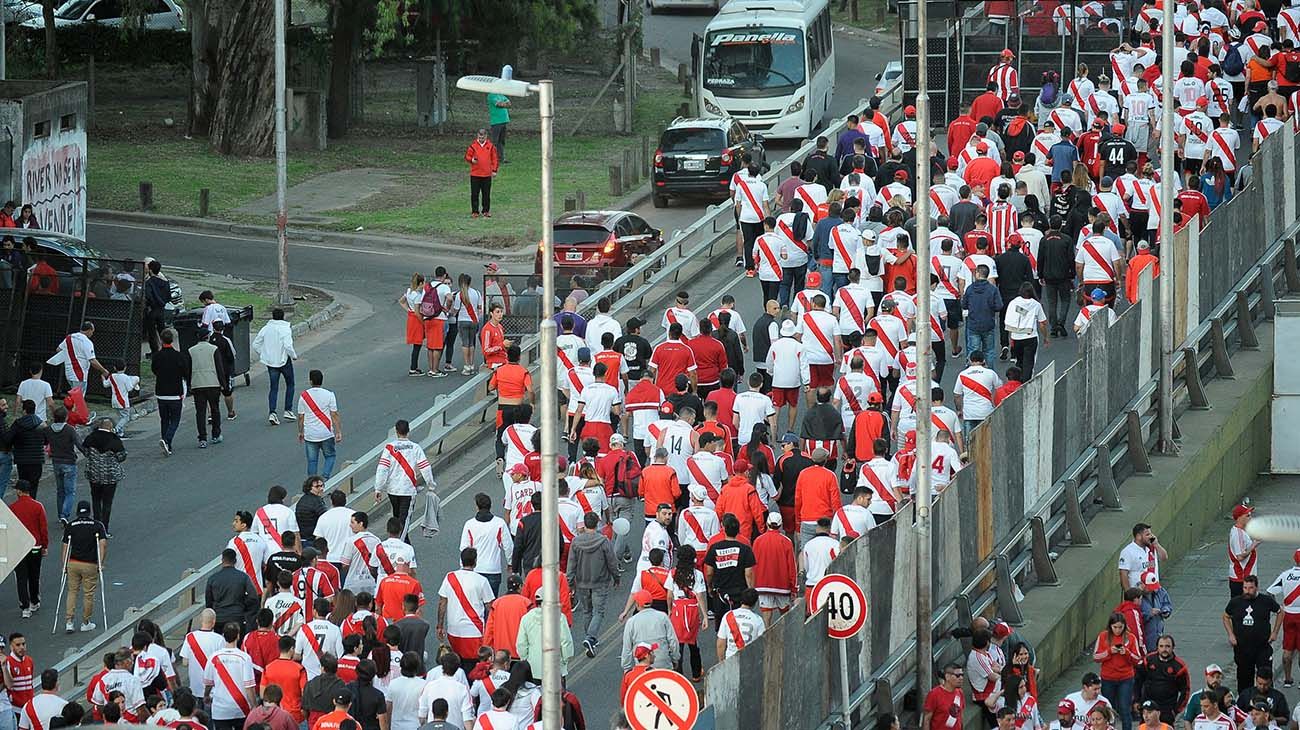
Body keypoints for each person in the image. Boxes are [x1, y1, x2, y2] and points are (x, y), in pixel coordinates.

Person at [566, 512, 618, 658]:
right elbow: (612, 561)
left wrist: (570, 583)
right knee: (598, 612)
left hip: (582, 582)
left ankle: (590, 637)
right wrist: (616, 577)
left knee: (587, 611)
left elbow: (571, 564)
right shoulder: (603, 541)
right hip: (600, 582)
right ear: (597, 524)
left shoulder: (576, 542)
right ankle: (590, 637)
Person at [437, 548, 495, 674]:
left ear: (461, 561)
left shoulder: (450, 577)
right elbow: (490, 607)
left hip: (454, 630)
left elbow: (442, 602)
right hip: (474, 631)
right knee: (474, 666)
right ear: (475, 562)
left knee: (456, 665)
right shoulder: (482, 581)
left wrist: (440, 626)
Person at [1223, 575, 1282, 692]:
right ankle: (1245, 704)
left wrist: (1275, 632)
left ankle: (1267, 702)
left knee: (1265, 677)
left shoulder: (1266, 601)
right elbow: (1225, 616)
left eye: (1250, 588)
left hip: (1262, 647)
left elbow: (1280, 612)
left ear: (1256, 587)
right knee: (1244, 679)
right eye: (1245, 588)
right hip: (1242, 648)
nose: (1247, 591)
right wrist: (1231, 634)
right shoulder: (1236, 602)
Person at [61, 502, 107, 634]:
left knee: (72, 592)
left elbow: (65, 546)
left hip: (73, 563)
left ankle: (69, 622)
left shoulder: (70, 525)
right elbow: (103, 545)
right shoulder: (97, 525)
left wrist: (64, 564)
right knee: (88, 594)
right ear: (89, 512)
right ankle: (85, 622)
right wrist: (100, 563)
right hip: (90, 564)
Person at [203, 623, 257, 730]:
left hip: (220, 709)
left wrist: (206, 696)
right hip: (240, 708)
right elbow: (249, 686)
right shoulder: (244, 658)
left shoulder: (214, 657)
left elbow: (208, 683)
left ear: (223, 635)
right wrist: (254, 705)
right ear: (238, 636)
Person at [1093, 612, 1142, 730]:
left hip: (1125, 678)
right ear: (1110, 626)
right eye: (1115, 627)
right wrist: (1109, 652)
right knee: (1109, 710)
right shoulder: (1103, 636)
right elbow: (1096, 657)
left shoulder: (1131, 638)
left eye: (1120, 627)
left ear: (1125, 626)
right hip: (1108, 678)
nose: (1118, 630)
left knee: (1125, 709)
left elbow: (1138, 659)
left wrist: (1127, 653)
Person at [253, 308, 298, 425]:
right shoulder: (285, 329)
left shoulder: (266, 328)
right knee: (290, 384)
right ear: (283, 316)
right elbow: (288, 345)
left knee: (274, 387)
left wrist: (264, 354)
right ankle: (288, 410)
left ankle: (272, 412)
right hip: (283, 361)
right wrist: (293, 355)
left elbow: (256, 344)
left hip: (271, 362)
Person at [81, 418, 125, 536]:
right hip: (110, 476)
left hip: (94, 474)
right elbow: (121, 456)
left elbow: (85, 452)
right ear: (110, 428)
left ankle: (96, 525)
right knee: (107, 502)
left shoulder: (91, 438)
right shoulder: (114, 440)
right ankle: (104, 529)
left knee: (96, 500)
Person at [10, 480, 46, 619]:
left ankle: (25, 607)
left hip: (19, 548)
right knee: (34, 575)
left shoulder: (12, 508)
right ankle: (34, 601)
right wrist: (45, 545)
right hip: (35, 547)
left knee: (21, 577)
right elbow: (43, 528)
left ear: (19, 491)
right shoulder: (37, 506)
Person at [1134, 635, 1189, 725]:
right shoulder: (1148, 660)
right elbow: (1138, 681)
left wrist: (1176, 710)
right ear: (1157, 647)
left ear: (1173, 647)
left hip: (1167, 709)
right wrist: (1136, 700)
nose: (1164, 649)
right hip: (1148, 705)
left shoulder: (1179, 666)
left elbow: (1185, 690)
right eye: (1161, 646)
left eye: (1167, 646)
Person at [188, 327, 228, 449]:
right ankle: (216, 434)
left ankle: (202, 438)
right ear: (208, 337)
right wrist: (224, 384)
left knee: (200, 412)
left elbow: (188, 369)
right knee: (214, 409)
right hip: (213, 383)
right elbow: (219, 368)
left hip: (197, 383)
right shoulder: (214, 349)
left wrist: (189, 384)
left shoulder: (191, 351)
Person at [298, 370, 342, 478]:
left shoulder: (304, 396)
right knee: (330, 456)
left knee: (312, 461)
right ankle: (325, 478)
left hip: (311, 434)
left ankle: (312, 484)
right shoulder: (329, 395)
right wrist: (338, 431)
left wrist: (300, 432)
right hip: (326, 432)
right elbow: (334, 414)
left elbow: (300, 417)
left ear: (310, 381)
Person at [620, 590, 678, 671]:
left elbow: (627, 648)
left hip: (643, 666)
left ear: (637, 604)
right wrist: (675, 658)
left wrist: (626, 668)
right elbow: (673, 641)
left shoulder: (631, 622)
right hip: (663, 664)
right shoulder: (663, 617)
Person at [416, 654, 473, 730]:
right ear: (457, 668)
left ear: (442, 666)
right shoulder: (462, 689)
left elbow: (422, 715)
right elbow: (467, 718)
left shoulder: (429, 686)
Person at [47, 322, 109, 393]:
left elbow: (58, 349)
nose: (92, 333)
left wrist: (71, 354)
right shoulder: (87, 342)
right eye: (92, 331)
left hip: (69, 372)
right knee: (79, 400)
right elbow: (92, 360)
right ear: (89, 330)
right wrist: (103, 370)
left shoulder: (69, 337)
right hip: (80, 374)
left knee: (74, 397)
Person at [464, 128, 499, 218]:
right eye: (479, 137)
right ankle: (475, 211)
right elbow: (467, 156)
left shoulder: (491, 146)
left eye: (482, 137)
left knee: (486, 194)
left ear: (486, 136)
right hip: (475, 174)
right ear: (477, 136)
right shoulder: (473, 146)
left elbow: (494, 159)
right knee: (474, 194)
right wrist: (471, 160)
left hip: (487, 175)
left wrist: (494, 170)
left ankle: (486, 211)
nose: (481, 139)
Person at [922, 663, 967, 730]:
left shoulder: (960, 692)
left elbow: (961, 715)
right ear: (947, 677)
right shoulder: (934, 694)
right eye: (957, 675)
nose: (961, 678)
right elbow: (926, 720)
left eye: (962, 675)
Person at [1229, 503, 1261, 597]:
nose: (1250, 517)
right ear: (1239, 518)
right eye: (1247, 515)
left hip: (1244, 577)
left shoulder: (1240, 531)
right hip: (1242, 578)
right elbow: (1240, 556)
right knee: (1242, 608)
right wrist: (1254, 545)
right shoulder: (1238, 534)